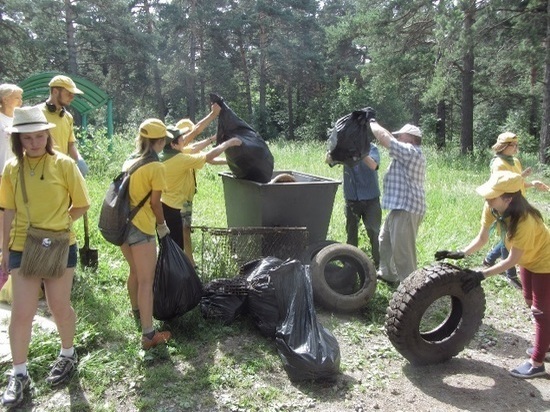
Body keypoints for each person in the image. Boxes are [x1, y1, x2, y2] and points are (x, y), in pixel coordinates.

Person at [0, 106, 90, 407]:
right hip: (21, 246)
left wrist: (58, 228)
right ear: (18, 140)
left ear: (47, 135)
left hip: (59, 244)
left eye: (40, 136)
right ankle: (19, 373)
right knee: (21, 311)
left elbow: (81, 205)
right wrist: (4, 250)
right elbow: (8, 210)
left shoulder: (64, 164)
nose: (35, 143)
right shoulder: (12, 168)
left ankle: (67, 353)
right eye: (28, 138)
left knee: (58, 306)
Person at [435, 171, 550, 379]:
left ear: (509, 198)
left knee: (540, 310)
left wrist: (481, 274)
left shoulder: (526, 221)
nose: (487, 199)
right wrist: (461, 253)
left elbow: (511, 261)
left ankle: (537, 362)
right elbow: (482, 238)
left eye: (493, 195)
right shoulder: (492, 207)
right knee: (528, 299)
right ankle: (547, 341)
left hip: (545, 261)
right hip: (528, 259)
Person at [120, 118, 172, 350]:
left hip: (121, 226)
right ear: (159, 142)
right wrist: (162, 226)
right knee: (146, 280)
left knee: (135, 272)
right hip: (141, 229)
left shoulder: (129, 161)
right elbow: (155, 203)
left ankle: (137, 312)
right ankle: (149, 334)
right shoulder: (156, 167)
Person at [482, 132, 549, 289]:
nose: (516, 148)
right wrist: (521, 176)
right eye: (514, 145)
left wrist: (531, 183)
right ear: (504, 146)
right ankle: (510, 274)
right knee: (510, 238)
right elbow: (502, 187)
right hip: (505, 207)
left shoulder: (516, 161)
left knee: (514, 238)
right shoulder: (498, 164)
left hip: (518, 205)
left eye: (517, 145)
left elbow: (517, 185)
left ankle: (491, 259)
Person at [160, 126, 241, 252]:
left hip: (162, 205)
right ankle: (174, 271)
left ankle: (167, 269)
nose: (184, 140)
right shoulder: (180, 159)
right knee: (176, 248)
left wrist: (213, 139)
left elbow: (194, 148)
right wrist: (228, 144)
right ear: (173, 144)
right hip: (173, 208)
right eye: (181, 138)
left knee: (167, 246)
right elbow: (208, 157)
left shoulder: (164, 156)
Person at [368, 122, 426, 284]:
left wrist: (370, 121)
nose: (398, 137)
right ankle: (388, 274)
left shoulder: (411, 152)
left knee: (403, 253)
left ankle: (411, 287)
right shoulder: (405, 152)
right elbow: (389, 137)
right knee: (384, 241)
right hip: (398, 208)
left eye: (402, 135)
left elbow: (385, 138)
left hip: (407, 209)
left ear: (413, 139)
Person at [173, 104, 222, 266]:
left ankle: (187, 260)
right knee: (180, 231)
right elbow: (198, 138)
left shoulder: (185, 151)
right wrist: (213, 116)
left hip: (186, 197)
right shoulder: (180, 152)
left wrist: (232, 162)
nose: (189, 137)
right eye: (186, 134)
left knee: (185, 229)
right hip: (176, 199)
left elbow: (210, 159)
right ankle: (185, 262)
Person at [39, 75, 88, 176]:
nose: (72, 97)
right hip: (42, 171)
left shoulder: (68, 117)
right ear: (55, 91)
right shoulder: (37, 113)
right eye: (68, 93)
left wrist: (79, 159)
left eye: (73, 94)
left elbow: (70, 145)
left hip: (61, 169)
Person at [342, 144, 382, 268]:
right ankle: (351, 264)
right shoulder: (344, 148)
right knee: (351, 232)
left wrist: (358, 151)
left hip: (371, 199)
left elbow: (373, 165)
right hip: (352, 198)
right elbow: (330, 160)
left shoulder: (371, 148)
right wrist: (335, 151)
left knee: (374, 232)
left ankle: (380, 264)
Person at [0, 84, 23, 251]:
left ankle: (12, 246)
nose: (21, 101)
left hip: (16, 171)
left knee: (15, 210)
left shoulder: (20, 119)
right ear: (5, 99)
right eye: (17, 97)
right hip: (1, 170)